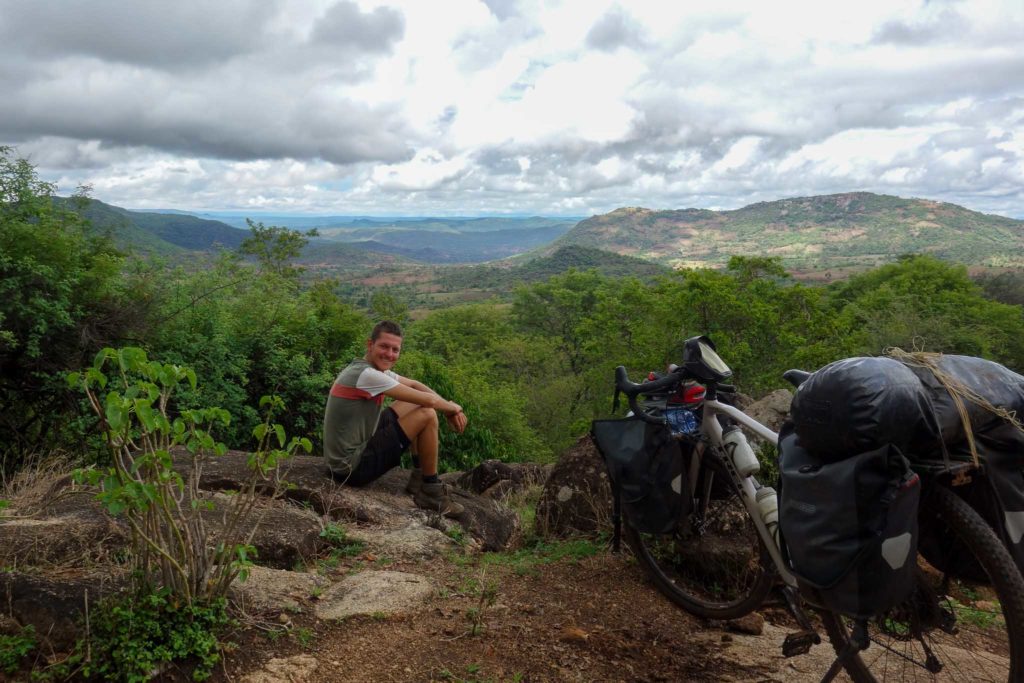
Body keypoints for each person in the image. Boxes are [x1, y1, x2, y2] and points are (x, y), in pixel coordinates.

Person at [323, 320, 468, 517]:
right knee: (427, 413)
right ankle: (431, 490)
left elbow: (416, 386)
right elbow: (429, 400)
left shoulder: (372, 370)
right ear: (370, 344)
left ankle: (419, 478)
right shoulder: (366, 375)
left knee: (418, 405)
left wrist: (448, 408)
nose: (389, 354)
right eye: (384, 346)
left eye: (395, 349)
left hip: (354, 451)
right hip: (351, 467)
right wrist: (454, 408)